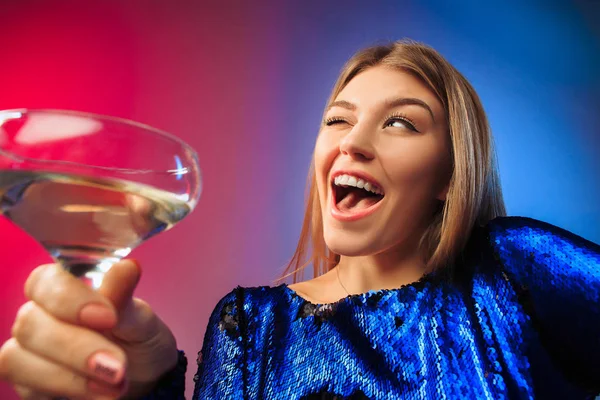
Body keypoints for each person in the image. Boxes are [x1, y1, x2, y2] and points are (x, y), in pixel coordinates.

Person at [0, 39, 598, 399]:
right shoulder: (250, 325)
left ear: (448, 176)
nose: (353, 143)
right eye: (338, 120)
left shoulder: (513, 271)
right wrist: (139, 390)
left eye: (400, 123)